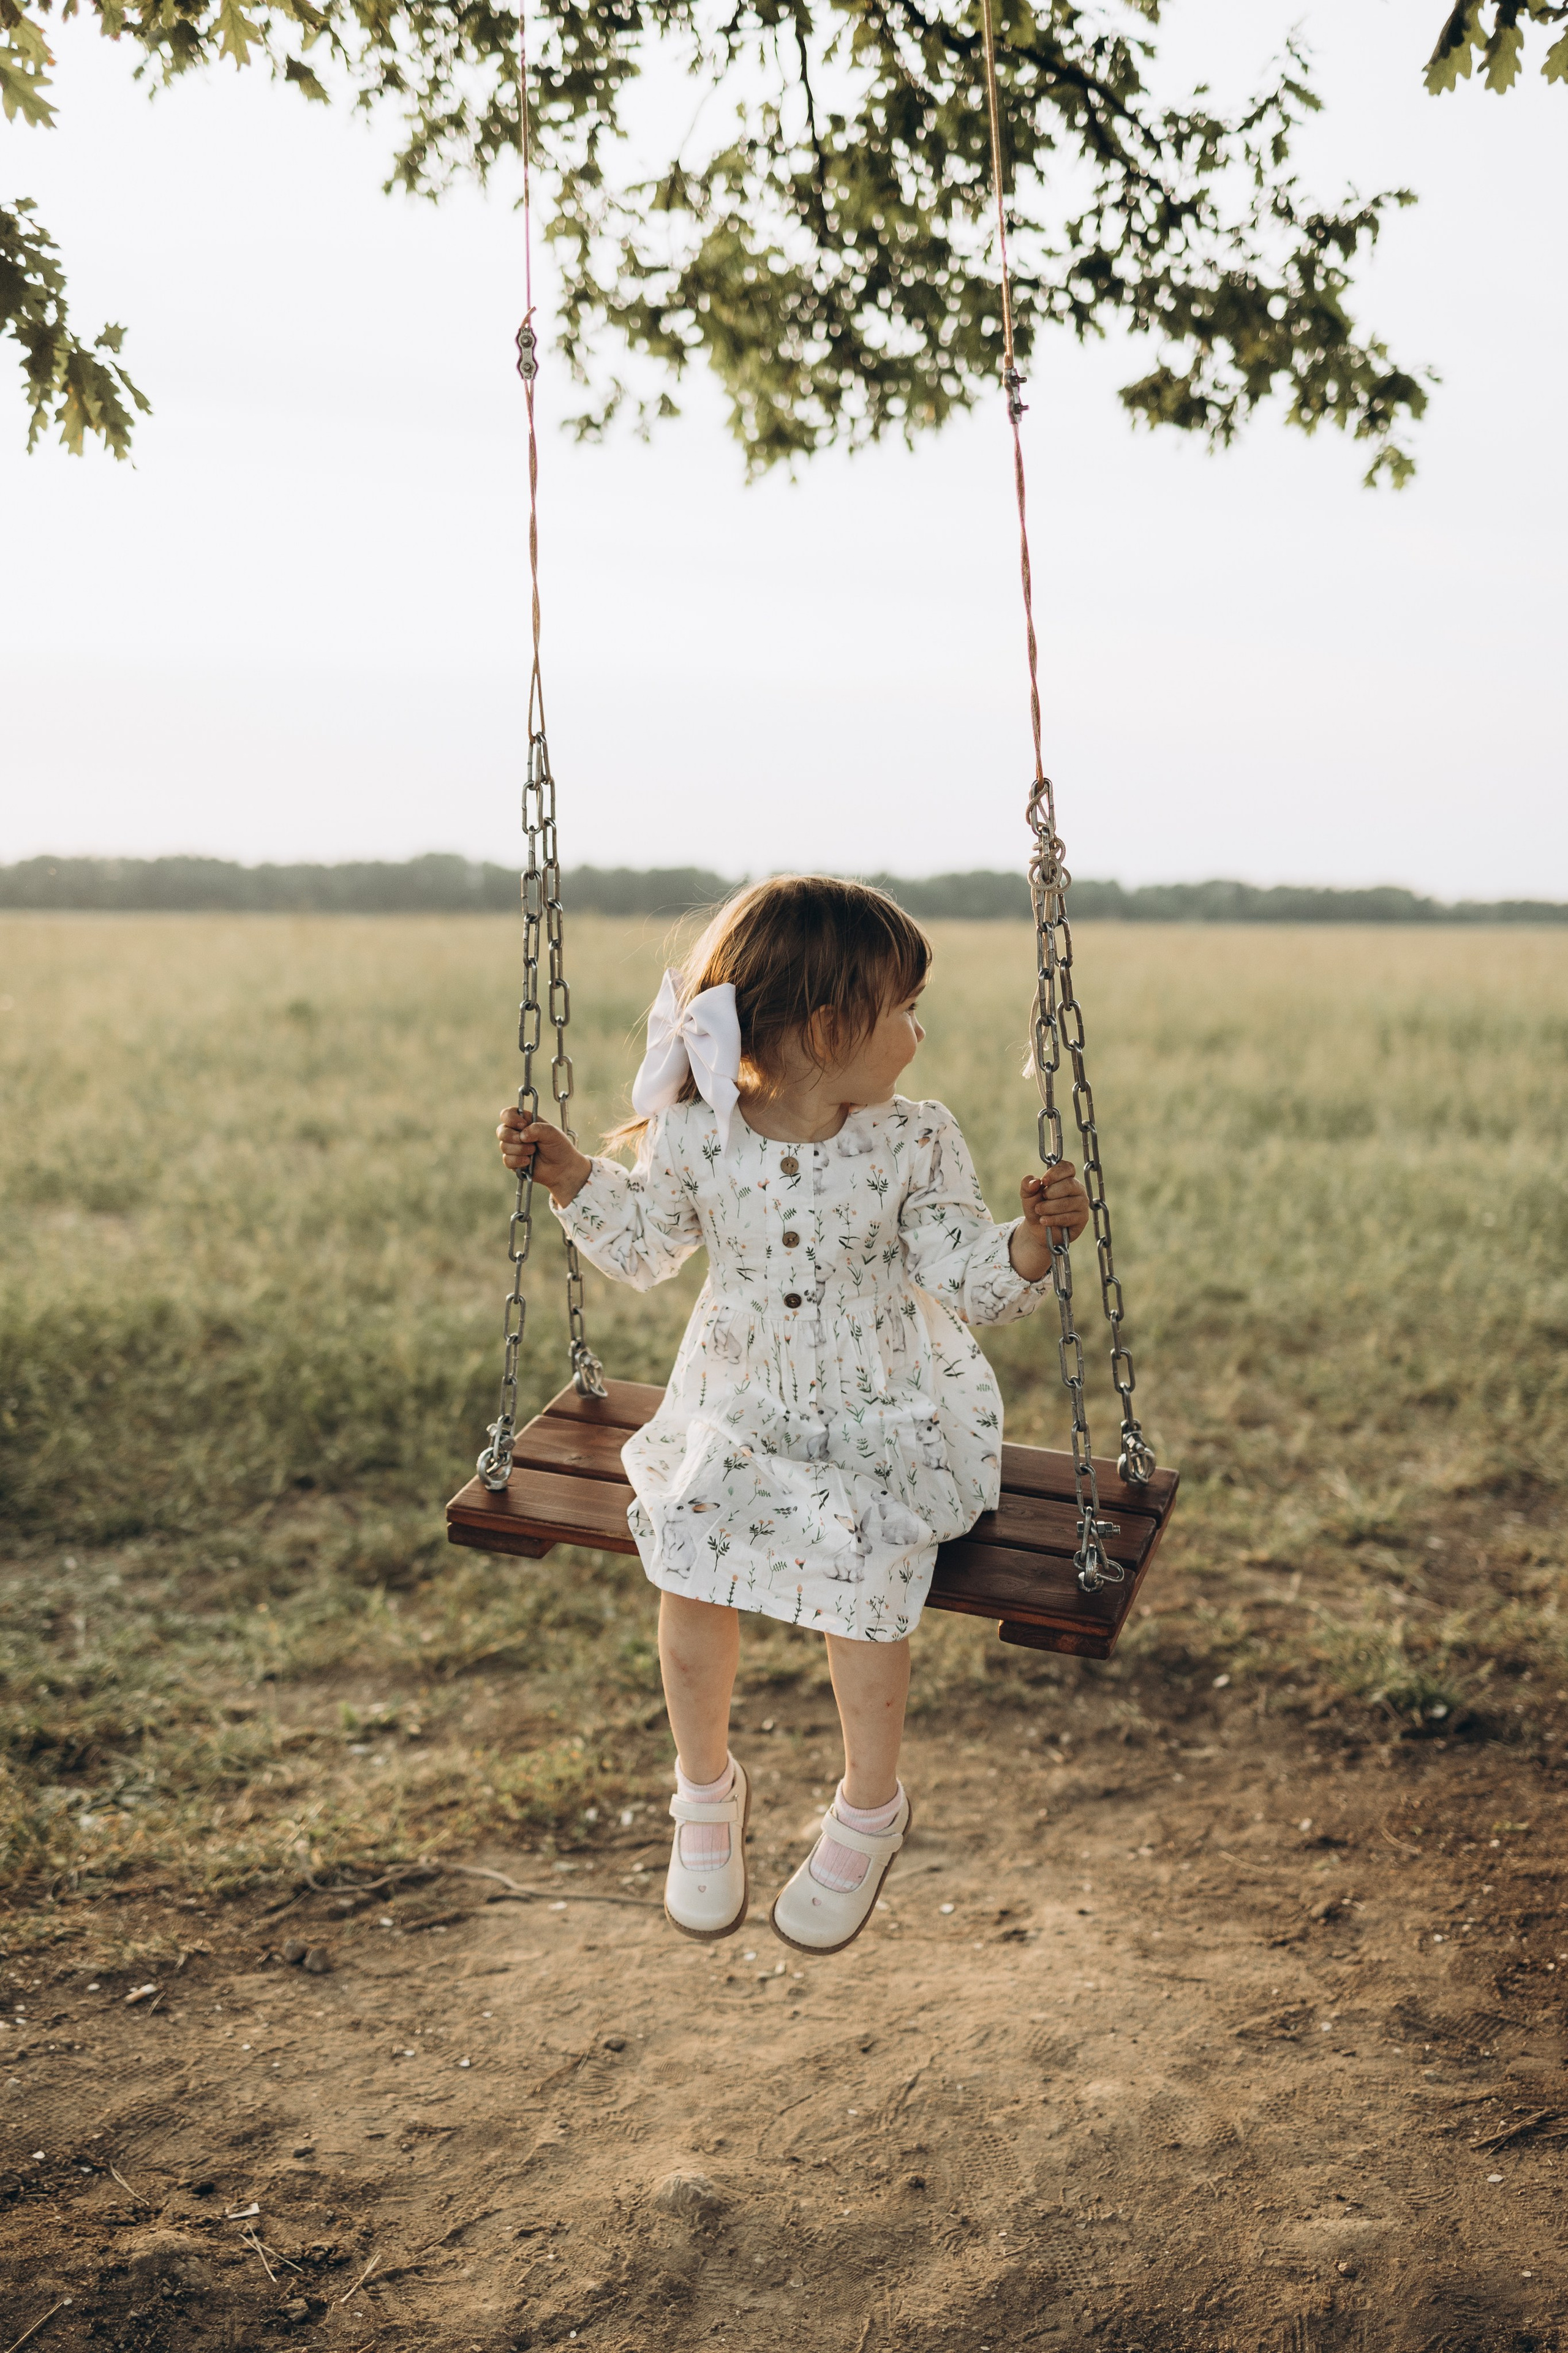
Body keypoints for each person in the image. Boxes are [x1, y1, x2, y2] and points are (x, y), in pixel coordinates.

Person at [497, 875, 1089, 1957]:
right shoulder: (696, 1133)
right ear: (827, 1029)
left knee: (865, 1578)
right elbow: (646, 1246)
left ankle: (869, 1807)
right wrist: (576, 1176)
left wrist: (1031, 1242)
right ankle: (704, 1791)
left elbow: (965, 1269)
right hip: (737, 1407)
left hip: (883, 1414)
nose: (919, 1031)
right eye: (905, 1008)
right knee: (684, 1556)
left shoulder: (916, 1141)